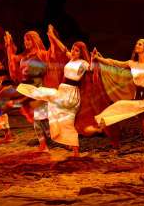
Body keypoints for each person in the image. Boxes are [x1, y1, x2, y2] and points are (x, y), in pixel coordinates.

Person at [16, 27, 90, 157]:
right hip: (63, 91)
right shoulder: (71, 59)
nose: (73, 51)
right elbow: (63, 49)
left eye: (77, 50)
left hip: (70, 94)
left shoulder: (83, 63)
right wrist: (53, 37)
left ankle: (24, 89)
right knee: (64, 122)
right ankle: (75, 152)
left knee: (47, 94)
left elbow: (91, 69)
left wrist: (96, 59)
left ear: (81, 53)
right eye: (73, 49)